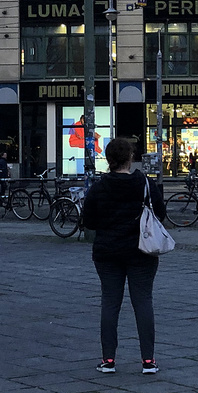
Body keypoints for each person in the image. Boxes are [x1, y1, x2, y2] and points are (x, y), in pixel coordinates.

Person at [81, 137, 167, 374]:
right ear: (131, 158)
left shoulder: (99, 187)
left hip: (108, 252)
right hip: (142, 251)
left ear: (108, 160)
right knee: (143, 302)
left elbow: (88, 221)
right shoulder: (145, 184)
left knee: (110, 303)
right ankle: (148, 361)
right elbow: (160, 213)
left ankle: (108, 360)